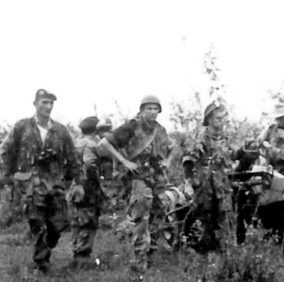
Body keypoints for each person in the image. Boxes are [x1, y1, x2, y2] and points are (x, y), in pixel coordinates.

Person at [0, 89, 80, 272]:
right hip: (31, 182)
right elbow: (5, 150)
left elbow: (73, 156)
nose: (48, 107)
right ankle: (41, 262)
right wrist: (11, 174)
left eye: (51, 103)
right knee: (37, 221)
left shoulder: (60, 130)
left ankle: (45, 249)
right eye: (44, 102)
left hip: (55, 183)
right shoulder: (22, 127)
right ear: (35, 104)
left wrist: (78, 180)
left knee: (59, 224)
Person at [97, 95, 172, 272]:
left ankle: (150, 256)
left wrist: (167, 161)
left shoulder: (160, 129)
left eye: (156, 109)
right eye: (149, 108)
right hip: (139, 179)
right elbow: (105, 143)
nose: (153, 112)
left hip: (157, 179)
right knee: (140, 219)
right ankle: (139, 262)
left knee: (158, 216)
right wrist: (124, 161)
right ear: (142, 110)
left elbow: (172, 147)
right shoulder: (132, 126)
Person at [182, 102, 234, 252]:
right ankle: (196, 248)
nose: (221, 120)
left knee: (226, 216)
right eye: (217, 118)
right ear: (209, 119)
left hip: (222, 184)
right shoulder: (202, 137)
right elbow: (189, 160)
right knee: (203, 217)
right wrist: (188, 182)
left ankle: (226, 251)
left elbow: (232, 155)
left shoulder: (224, 137)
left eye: (222, 118)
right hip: (205, 185)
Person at [69, 116, 104, 267]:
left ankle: (77, 253)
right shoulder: (92, 144)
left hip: (75, 187)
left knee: (78, 221)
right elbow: (89, 164)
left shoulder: (76, 143)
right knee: (88, 221)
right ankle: (82, 257)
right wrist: (96, 179)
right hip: (87, 187)